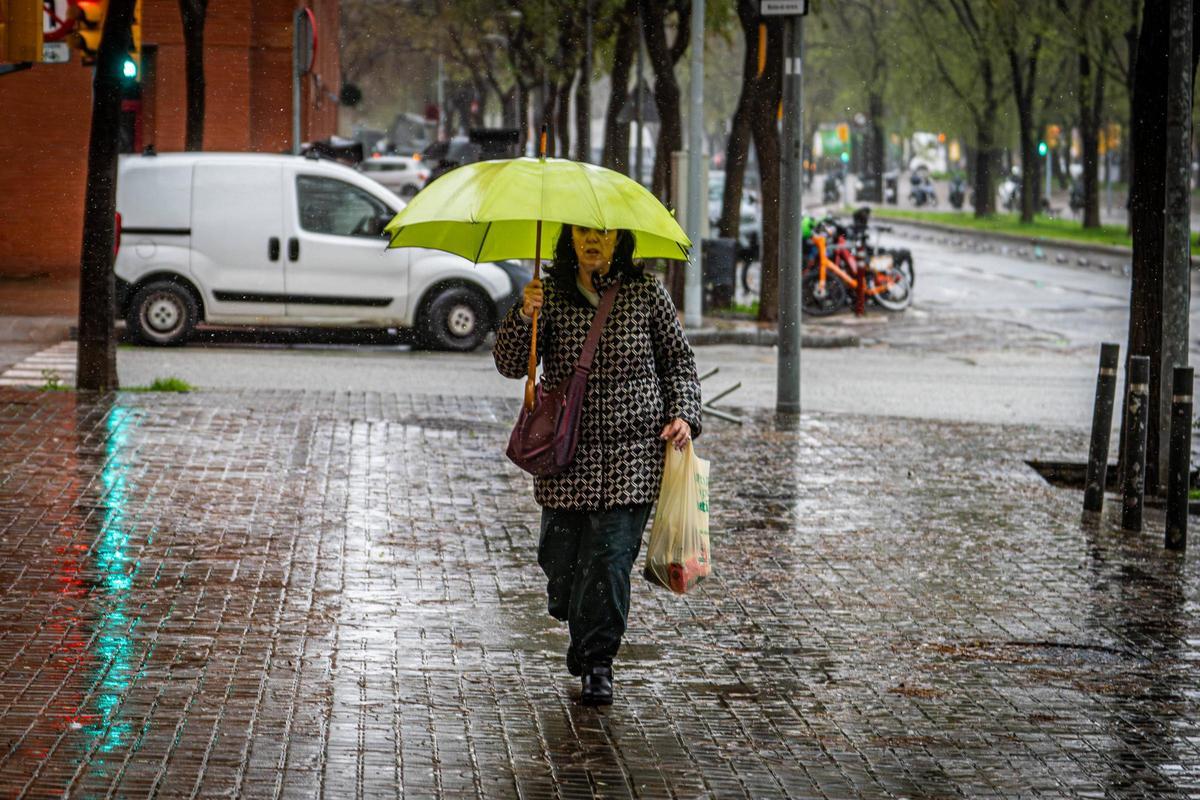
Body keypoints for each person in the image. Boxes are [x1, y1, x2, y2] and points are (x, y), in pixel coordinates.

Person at [493, 224, 702, 706]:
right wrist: (524, 316)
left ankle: (597, 663)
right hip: (567, 453)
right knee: (561, 563)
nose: (594, 240)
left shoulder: (646, 292)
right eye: (585, 232)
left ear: (619, 242)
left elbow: (679, 363)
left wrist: (684, 414)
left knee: (608, 564)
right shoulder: (550, 293)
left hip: (634, 456)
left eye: (604, 234)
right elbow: (508, 364)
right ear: (570, 239)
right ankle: (579, 621)